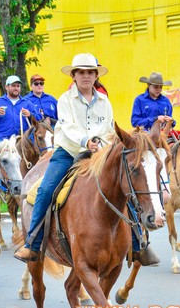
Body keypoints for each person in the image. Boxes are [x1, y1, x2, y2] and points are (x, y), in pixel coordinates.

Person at [15, 54, 116, 262]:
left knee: (124, 184)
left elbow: (109, 128)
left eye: (90, 72)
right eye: (81, 72)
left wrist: (102, 145)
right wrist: (86, 141)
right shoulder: (65, 99)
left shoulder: (105, 101)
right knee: (46, 189)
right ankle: (32, 243)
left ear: (96, 75)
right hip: (68, 153)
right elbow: (68, 128)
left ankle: (137, 243)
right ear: (73, 75)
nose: (86, 76)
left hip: (98, 155)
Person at [0, 75, 27, 141]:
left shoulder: (27, 103)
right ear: (6, 87)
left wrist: (31, 115)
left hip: (21, 141)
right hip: (1, 141)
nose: (16, 88)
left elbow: (39, 120)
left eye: (18, 86)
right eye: (13, 85)